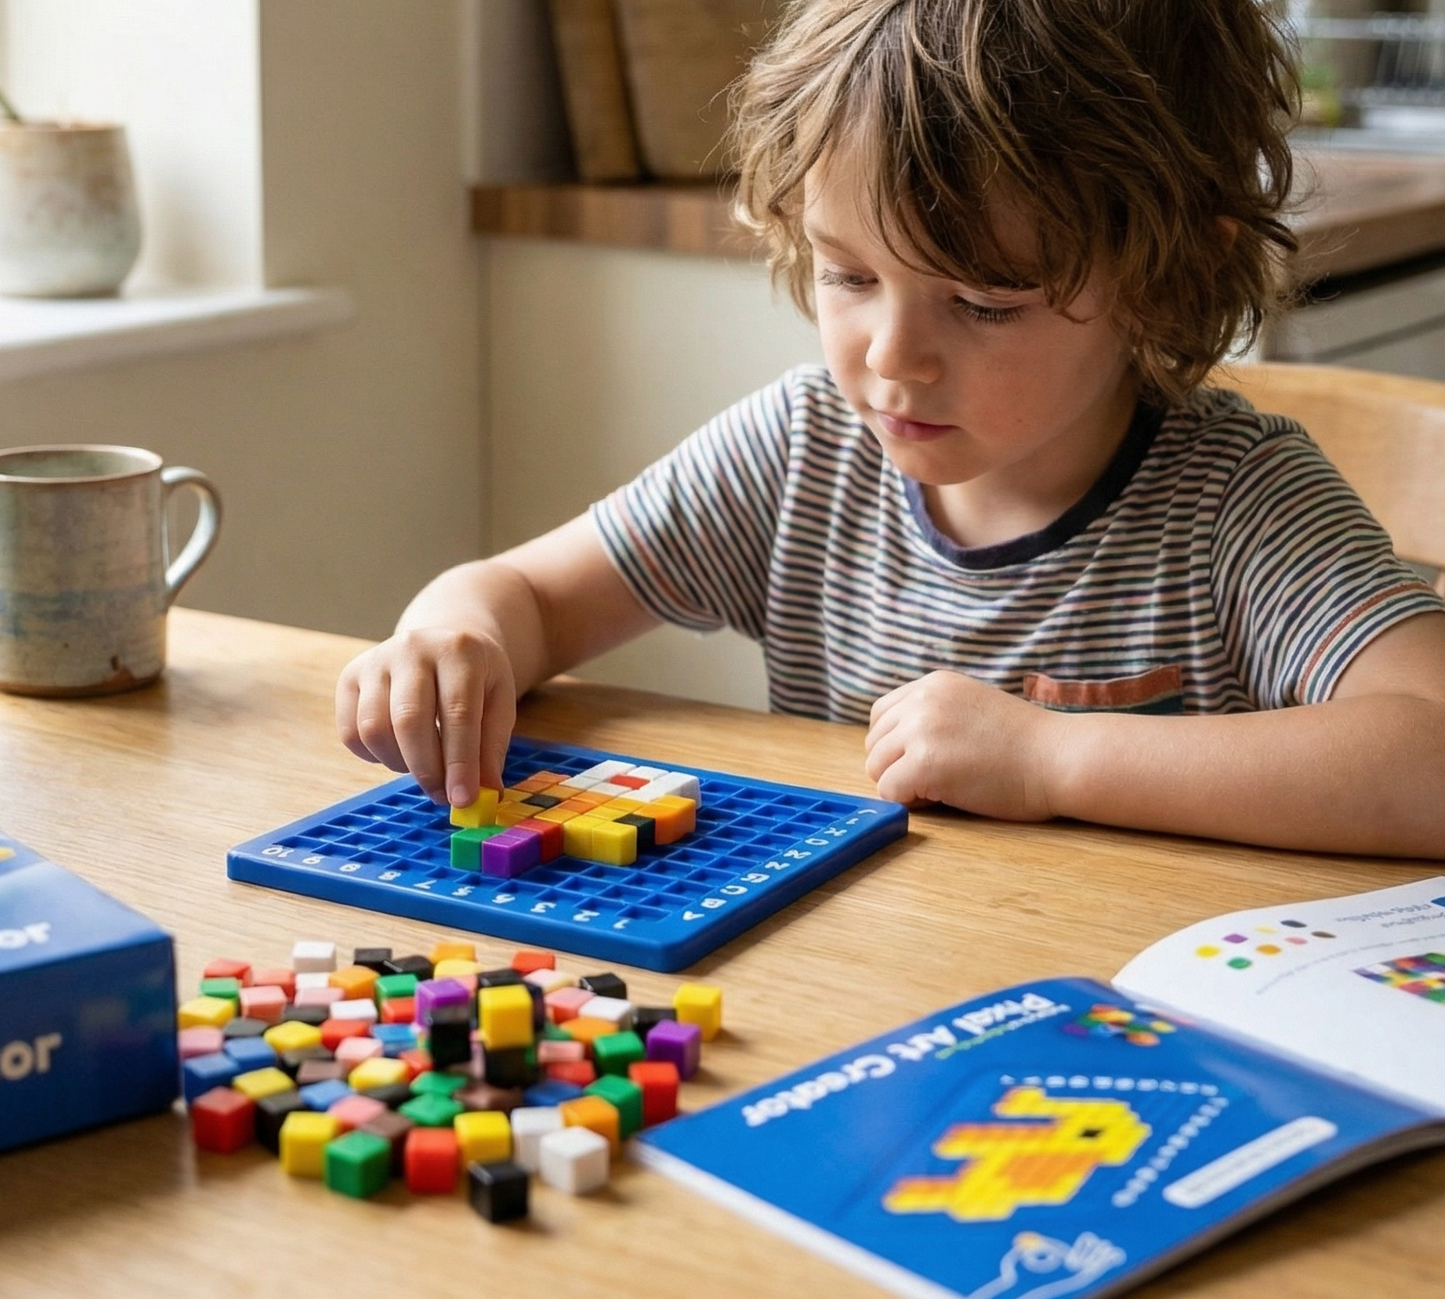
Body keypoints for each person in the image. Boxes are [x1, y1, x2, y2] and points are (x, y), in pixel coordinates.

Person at [336, 0, 1445, 858]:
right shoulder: (800, 453)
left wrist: (1053, 756)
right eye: (847, 274)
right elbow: (526, 597)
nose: (888, 357)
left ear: (1165, 273)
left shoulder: (1231, 506)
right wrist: (455, 629)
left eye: (982, 303)